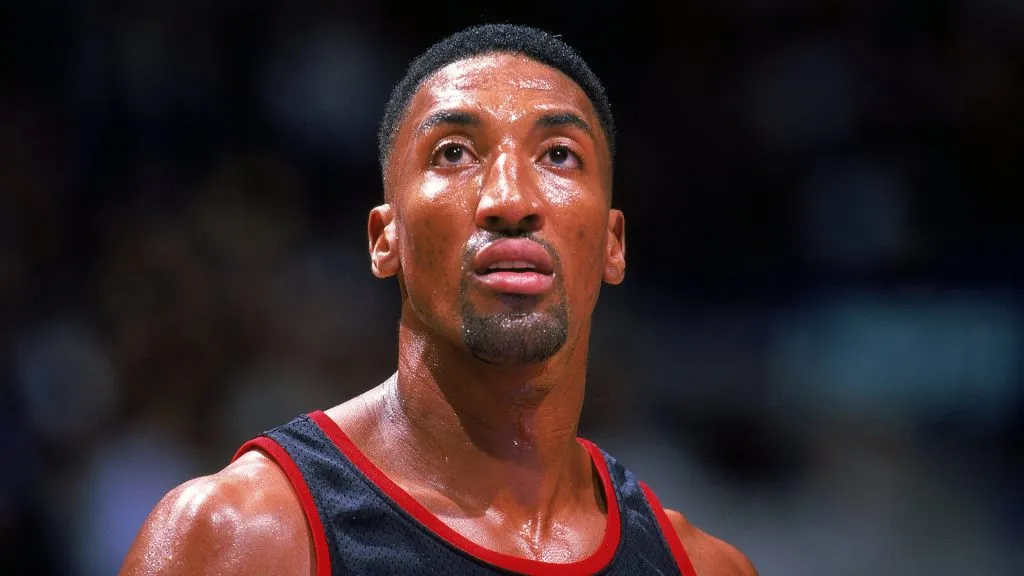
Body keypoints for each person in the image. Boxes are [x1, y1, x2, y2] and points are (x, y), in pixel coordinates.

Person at [120, 23, 757, 576]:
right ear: (384, 238)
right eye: (453, 153)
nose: (510, 199)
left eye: (559, 155)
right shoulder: (240, 538)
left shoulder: (701, 566)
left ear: (613, 245)